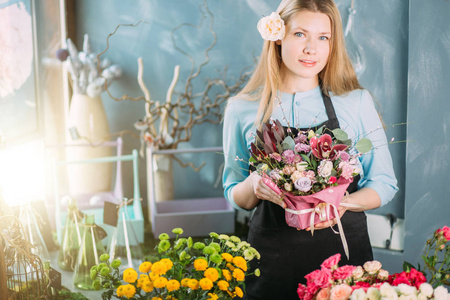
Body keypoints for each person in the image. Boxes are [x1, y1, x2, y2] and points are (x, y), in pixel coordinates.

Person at [222, 0, 398, 299]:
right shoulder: (241, 108)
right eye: (300, 34)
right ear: (278, 38)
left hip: (343, 257)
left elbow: (384, 184)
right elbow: (234, 192)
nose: (311, 49)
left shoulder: (355, 102)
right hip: (272, 258)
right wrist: (253, 184)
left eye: (323, 37)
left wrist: (343, 204)